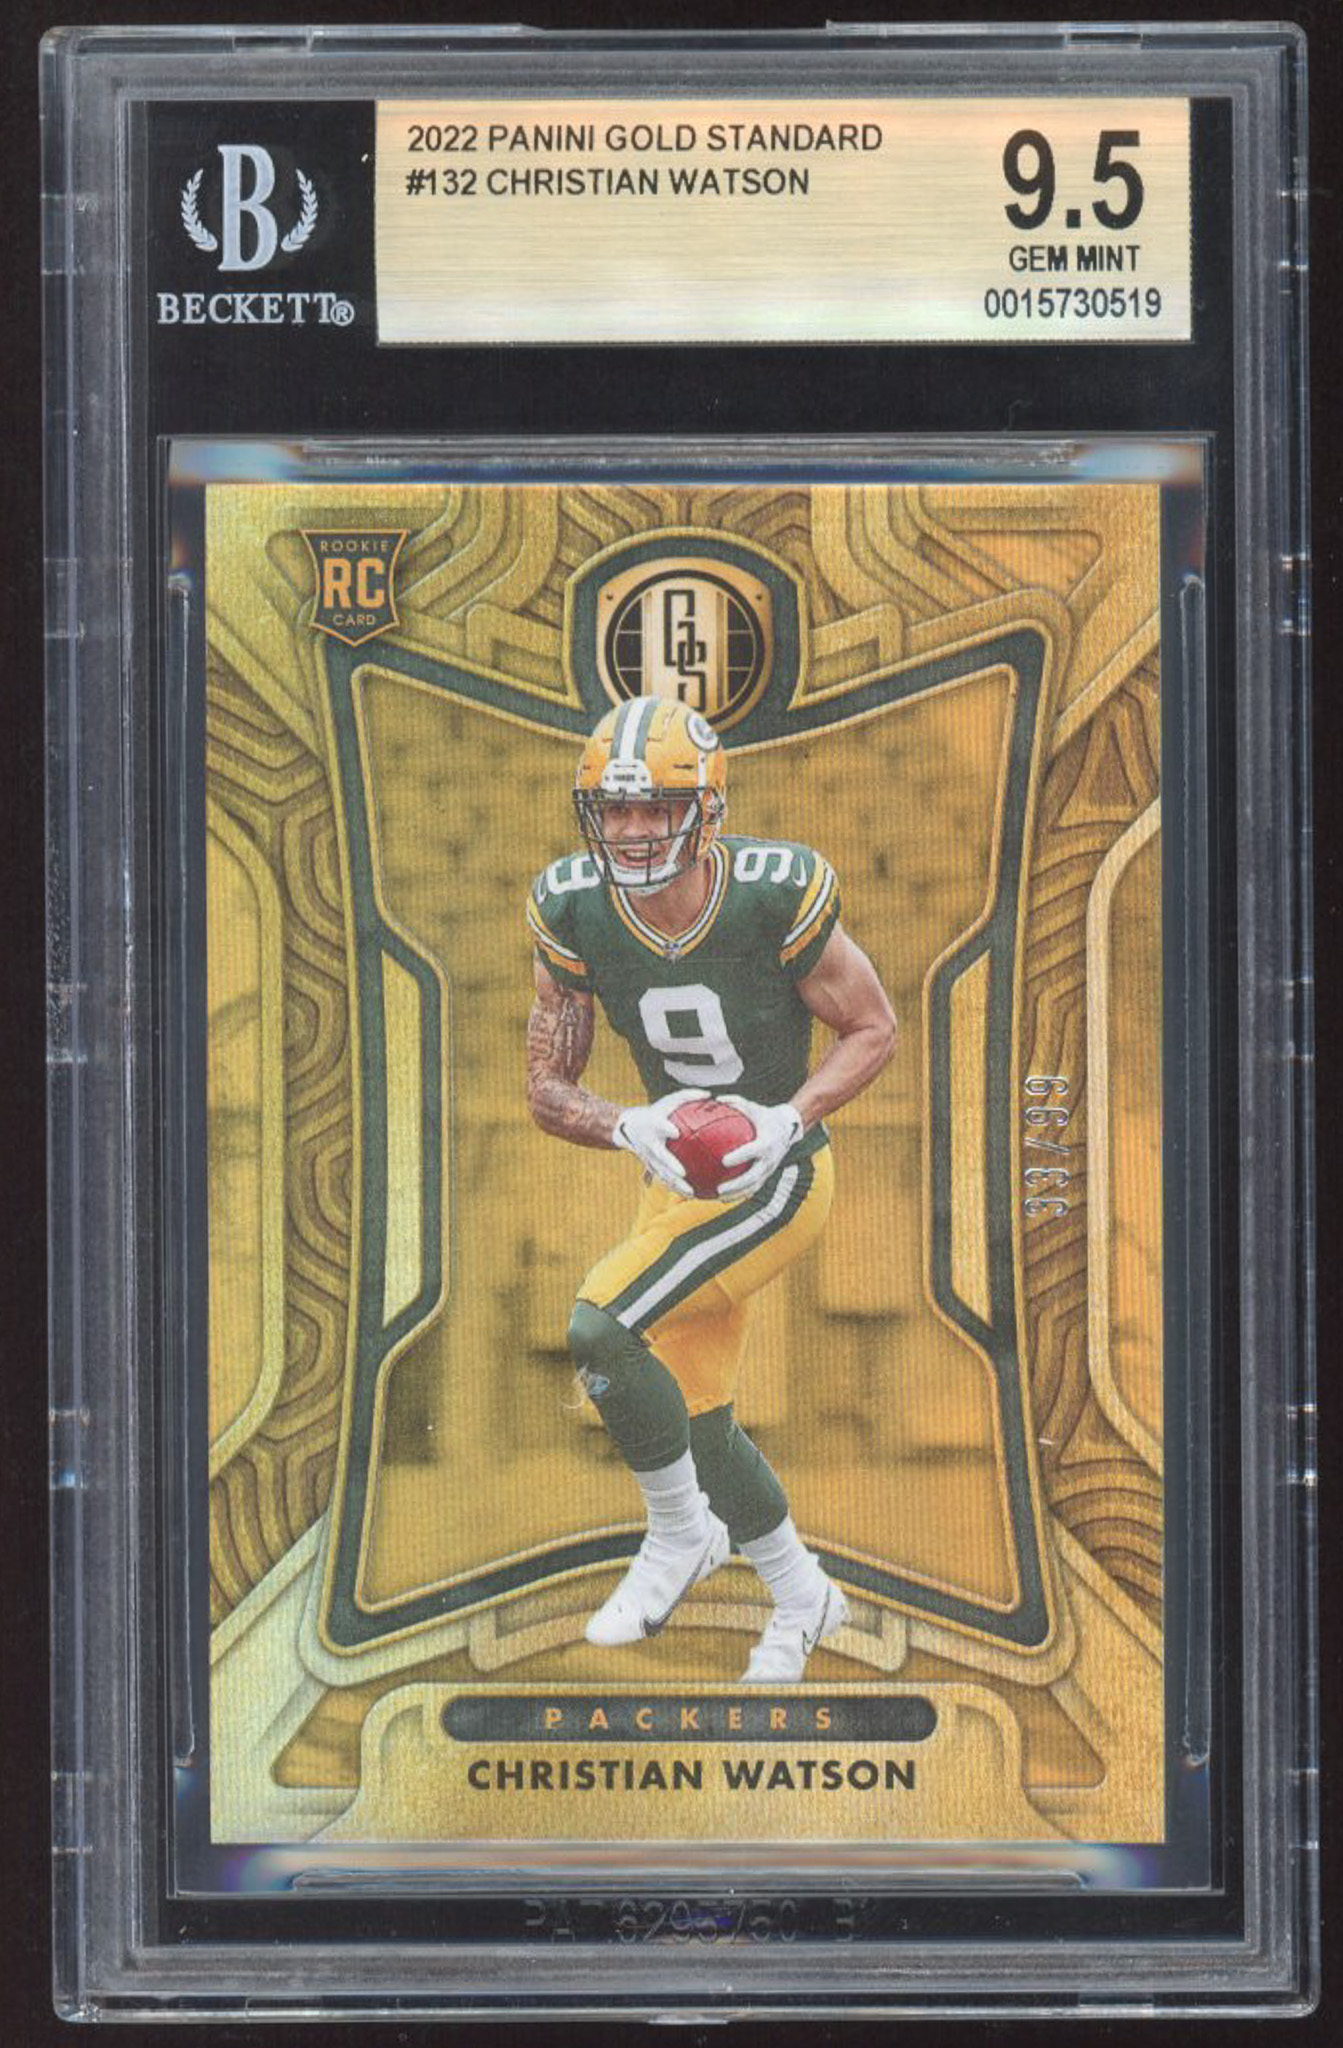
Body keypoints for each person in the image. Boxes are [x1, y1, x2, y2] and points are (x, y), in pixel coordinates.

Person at [525, 695, 897, 1681]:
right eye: (614, 808)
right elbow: (546, 1087)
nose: (633, 830)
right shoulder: (570, 907)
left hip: (775, 1175)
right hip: (674, 1180)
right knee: (696, 1419)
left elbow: (872, 1026)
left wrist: (788, 1117)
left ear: (704, 810)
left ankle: (680, 1532)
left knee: (602, 1326)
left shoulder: (772, 894)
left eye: (656, 808)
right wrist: (626, 1123)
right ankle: (804, 1595)